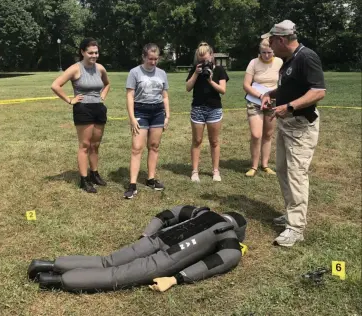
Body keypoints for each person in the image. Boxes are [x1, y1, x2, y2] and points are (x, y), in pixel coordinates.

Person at [27, 205, 247, 292]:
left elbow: (167, 214)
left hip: (153, 240)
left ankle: (47, 264)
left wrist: (147, 233)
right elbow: (219, 261)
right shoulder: (227, 235)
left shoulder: (202, 211)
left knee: (106, 261)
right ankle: (54, 281)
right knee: (115, 275)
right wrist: (176, 278)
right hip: (168, 258)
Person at [260, 20, 326, 247]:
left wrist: (288, 107)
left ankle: (296, 228)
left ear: (280, 40)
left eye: (270, 40)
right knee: (283, 170)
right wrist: (271, 93)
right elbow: (289, 87)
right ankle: (291, 214)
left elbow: (318, 91)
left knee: (297, 175)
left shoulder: (307, 57)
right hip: (287, 125)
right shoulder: (290, 59)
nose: (268, 44)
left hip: (300, 126)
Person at [51, 38, 110, 193]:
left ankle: (94, 174)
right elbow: (55, 85)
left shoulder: (100, 68)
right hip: (83, 109)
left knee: (95, 145)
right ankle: (84, 180)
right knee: (85, 145)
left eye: (96, 52)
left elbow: (107, 83)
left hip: (99, 108)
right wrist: (70, 100)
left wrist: (102, 96)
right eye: (90, 52)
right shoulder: (75, 68)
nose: (94, 55)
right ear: (83, 52)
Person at [124, 43, 170, 199]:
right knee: (137, 147)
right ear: (143, 57)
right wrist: (132, 118)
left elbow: (164, 96)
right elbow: (130, 96)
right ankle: (132, 185)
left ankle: (151, 179)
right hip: (140, 111)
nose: (153, 62)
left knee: (154, 146)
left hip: (158, 111)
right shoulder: (134, 72)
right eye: (150, 58)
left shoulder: (162, 73)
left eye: (156, 59)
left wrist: (167, 115)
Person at [186, 42, 229, 182]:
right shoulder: (195, 69)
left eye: (205, 59)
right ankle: (194, 171)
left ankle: (215, 171)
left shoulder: (219, 70)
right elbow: (188, 87)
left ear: (211, 56)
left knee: (214, 141)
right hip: (198, 107)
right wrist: (196, 74)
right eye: (200, 60)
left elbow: (223, 90)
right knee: (197, 140)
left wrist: (210, 80)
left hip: (214, 108)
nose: (203, 62)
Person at [243, 39, 283, 177]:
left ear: (274, 51)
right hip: (255, 101)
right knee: (256, 134)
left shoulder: (279, 62)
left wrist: (273, 95)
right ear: (259, 52)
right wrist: (261, 96)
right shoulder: (253, 63)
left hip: (273, 101)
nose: (266, 55)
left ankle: (265, 165)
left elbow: (283, 82)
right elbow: (246, 85)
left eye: (269, 52)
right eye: (263, 52)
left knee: (268, 134)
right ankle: (253, 166)